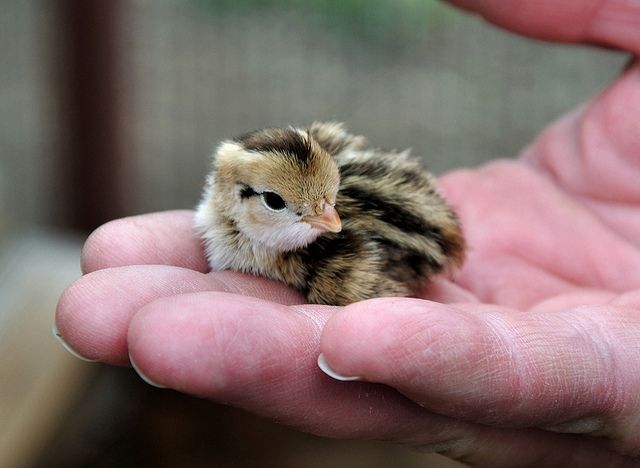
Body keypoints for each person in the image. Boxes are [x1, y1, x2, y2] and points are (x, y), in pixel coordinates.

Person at [55, 1, 640, 465]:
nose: (328, 221)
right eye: (287, 204)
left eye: (329, 202)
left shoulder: (332, 258)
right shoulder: (242, 217)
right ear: (236, 197)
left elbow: (368, 253)